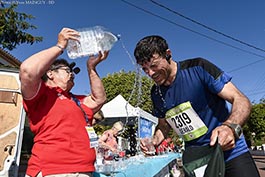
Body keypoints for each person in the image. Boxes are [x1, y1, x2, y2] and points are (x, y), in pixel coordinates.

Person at [134, 35, 260, 177]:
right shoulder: (156, 93)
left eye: (154, 65)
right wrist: (153, 141)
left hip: (230, 153)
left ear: (168, 54)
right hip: (197, 161)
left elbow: (240, 99)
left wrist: (230, 127)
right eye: (145, 69)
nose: (150, 73)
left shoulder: (198, 68)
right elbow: (163, 126)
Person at [19, 27, 109, 177]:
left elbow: (99, 99)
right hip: (53, 171)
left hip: (85, 171)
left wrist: (91, 68)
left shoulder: (76, 100)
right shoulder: (40, 94)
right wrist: (60, 46)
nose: (72, 73)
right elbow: (27, 71)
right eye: (67, 70)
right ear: (50, 73)